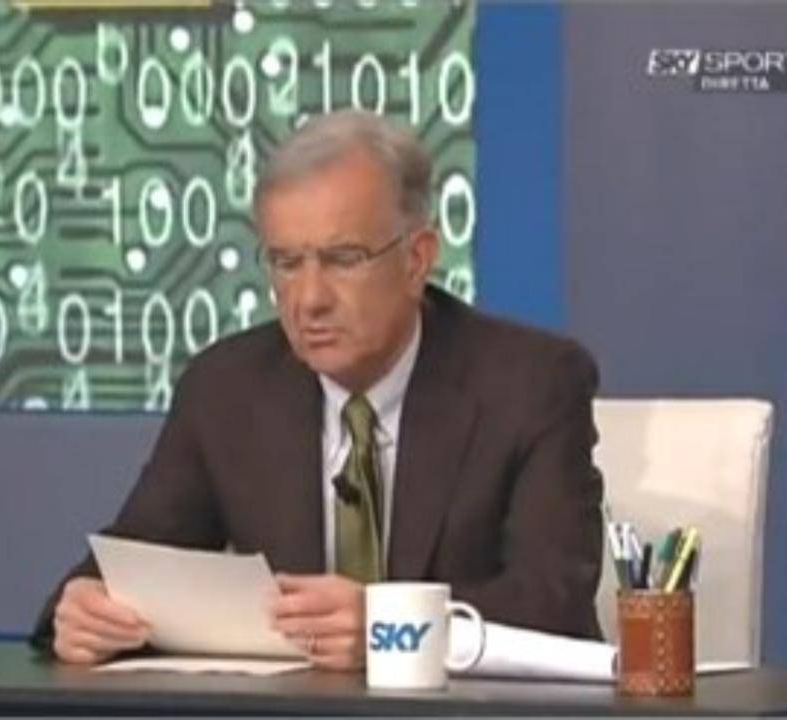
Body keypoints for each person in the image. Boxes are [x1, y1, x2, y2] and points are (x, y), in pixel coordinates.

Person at [31, 110, 603, 671]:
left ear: (417, 260)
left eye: (342, 260)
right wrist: (83, 610)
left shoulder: (532, 385)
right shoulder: (227, 390)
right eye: (286, 263)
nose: (309, 300)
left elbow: (554, 601)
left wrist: (390, 629)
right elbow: (134, 563)